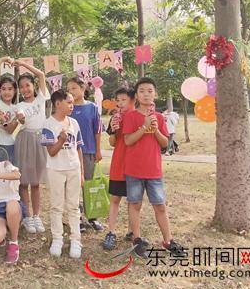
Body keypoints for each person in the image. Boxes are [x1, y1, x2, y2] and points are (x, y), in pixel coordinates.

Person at [123, 77, 184, 258]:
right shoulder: (130, 116)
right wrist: (144, 126)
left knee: (160, 206)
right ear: (136, 95)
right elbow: (128, 140)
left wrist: (155, 129)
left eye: (150, 90)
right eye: (142, 91)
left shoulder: (158, 117)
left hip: (154, 170)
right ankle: (137, 240)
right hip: (134, 170)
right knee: (135, 204)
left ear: (155, 94)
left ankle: (168, 240)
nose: (146, 94)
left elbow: (165, 143)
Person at [41, 89, 84, 259]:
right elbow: (51, 152)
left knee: (74, 206)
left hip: (73, 168)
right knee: (56, 206)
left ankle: (76, 239)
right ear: (58, 104)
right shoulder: (48, 124)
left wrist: (81, 171)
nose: (72, 106)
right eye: (69, 102)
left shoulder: (74, 123)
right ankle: (57, 239)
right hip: (56, 169)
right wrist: (61, 139)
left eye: (72, 102)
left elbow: (78, 148)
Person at [13, 59, 49, 234]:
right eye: (22, 87)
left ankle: (36, 216)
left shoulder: (41, 98)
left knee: (36, 182)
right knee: (23, 182)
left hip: (40, 139)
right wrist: (20, 119)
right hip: (24, 140)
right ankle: (27, 216)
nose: (25, 89)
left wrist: (22, 64)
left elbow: (41, 74)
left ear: (33, 86)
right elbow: (19, 121)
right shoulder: (18, 106)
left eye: (28, 85)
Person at [66, 77, 103, 232]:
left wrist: (98, 150)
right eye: (69, 89)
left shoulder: (92, 107)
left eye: (74, 88)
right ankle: (77, 219)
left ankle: (92, 217)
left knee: (88, 185)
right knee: (73, 186)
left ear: (83, 89)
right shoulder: (68, 108)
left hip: (88, 151)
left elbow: (97, 130)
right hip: (70, 153)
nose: (71, 92)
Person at [102, 88, 135, 250]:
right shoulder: (115, 117)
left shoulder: (137, 116)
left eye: (124, 100)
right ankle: (111, 232)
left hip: (135, 164)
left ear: (132, 101)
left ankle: (132, 231)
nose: (120, 103)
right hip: (118, 162)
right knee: (115, 199)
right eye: (118, 100)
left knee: (133, 200)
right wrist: (114, 130)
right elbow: (112, 143)